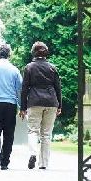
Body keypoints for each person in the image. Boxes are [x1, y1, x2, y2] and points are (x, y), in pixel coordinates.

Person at [19, 41, 62, 170]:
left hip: (34, 102)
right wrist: (59, 105)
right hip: (51, 102)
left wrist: (23, 107)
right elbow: (58, 88)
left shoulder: (29, 67)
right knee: (46, 134)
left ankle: (33, 153)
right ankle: (43, 163)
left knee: (33, 130)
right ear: (46, 53)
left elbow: (24, 89)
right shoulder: (52, 68)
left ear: (33, 52)